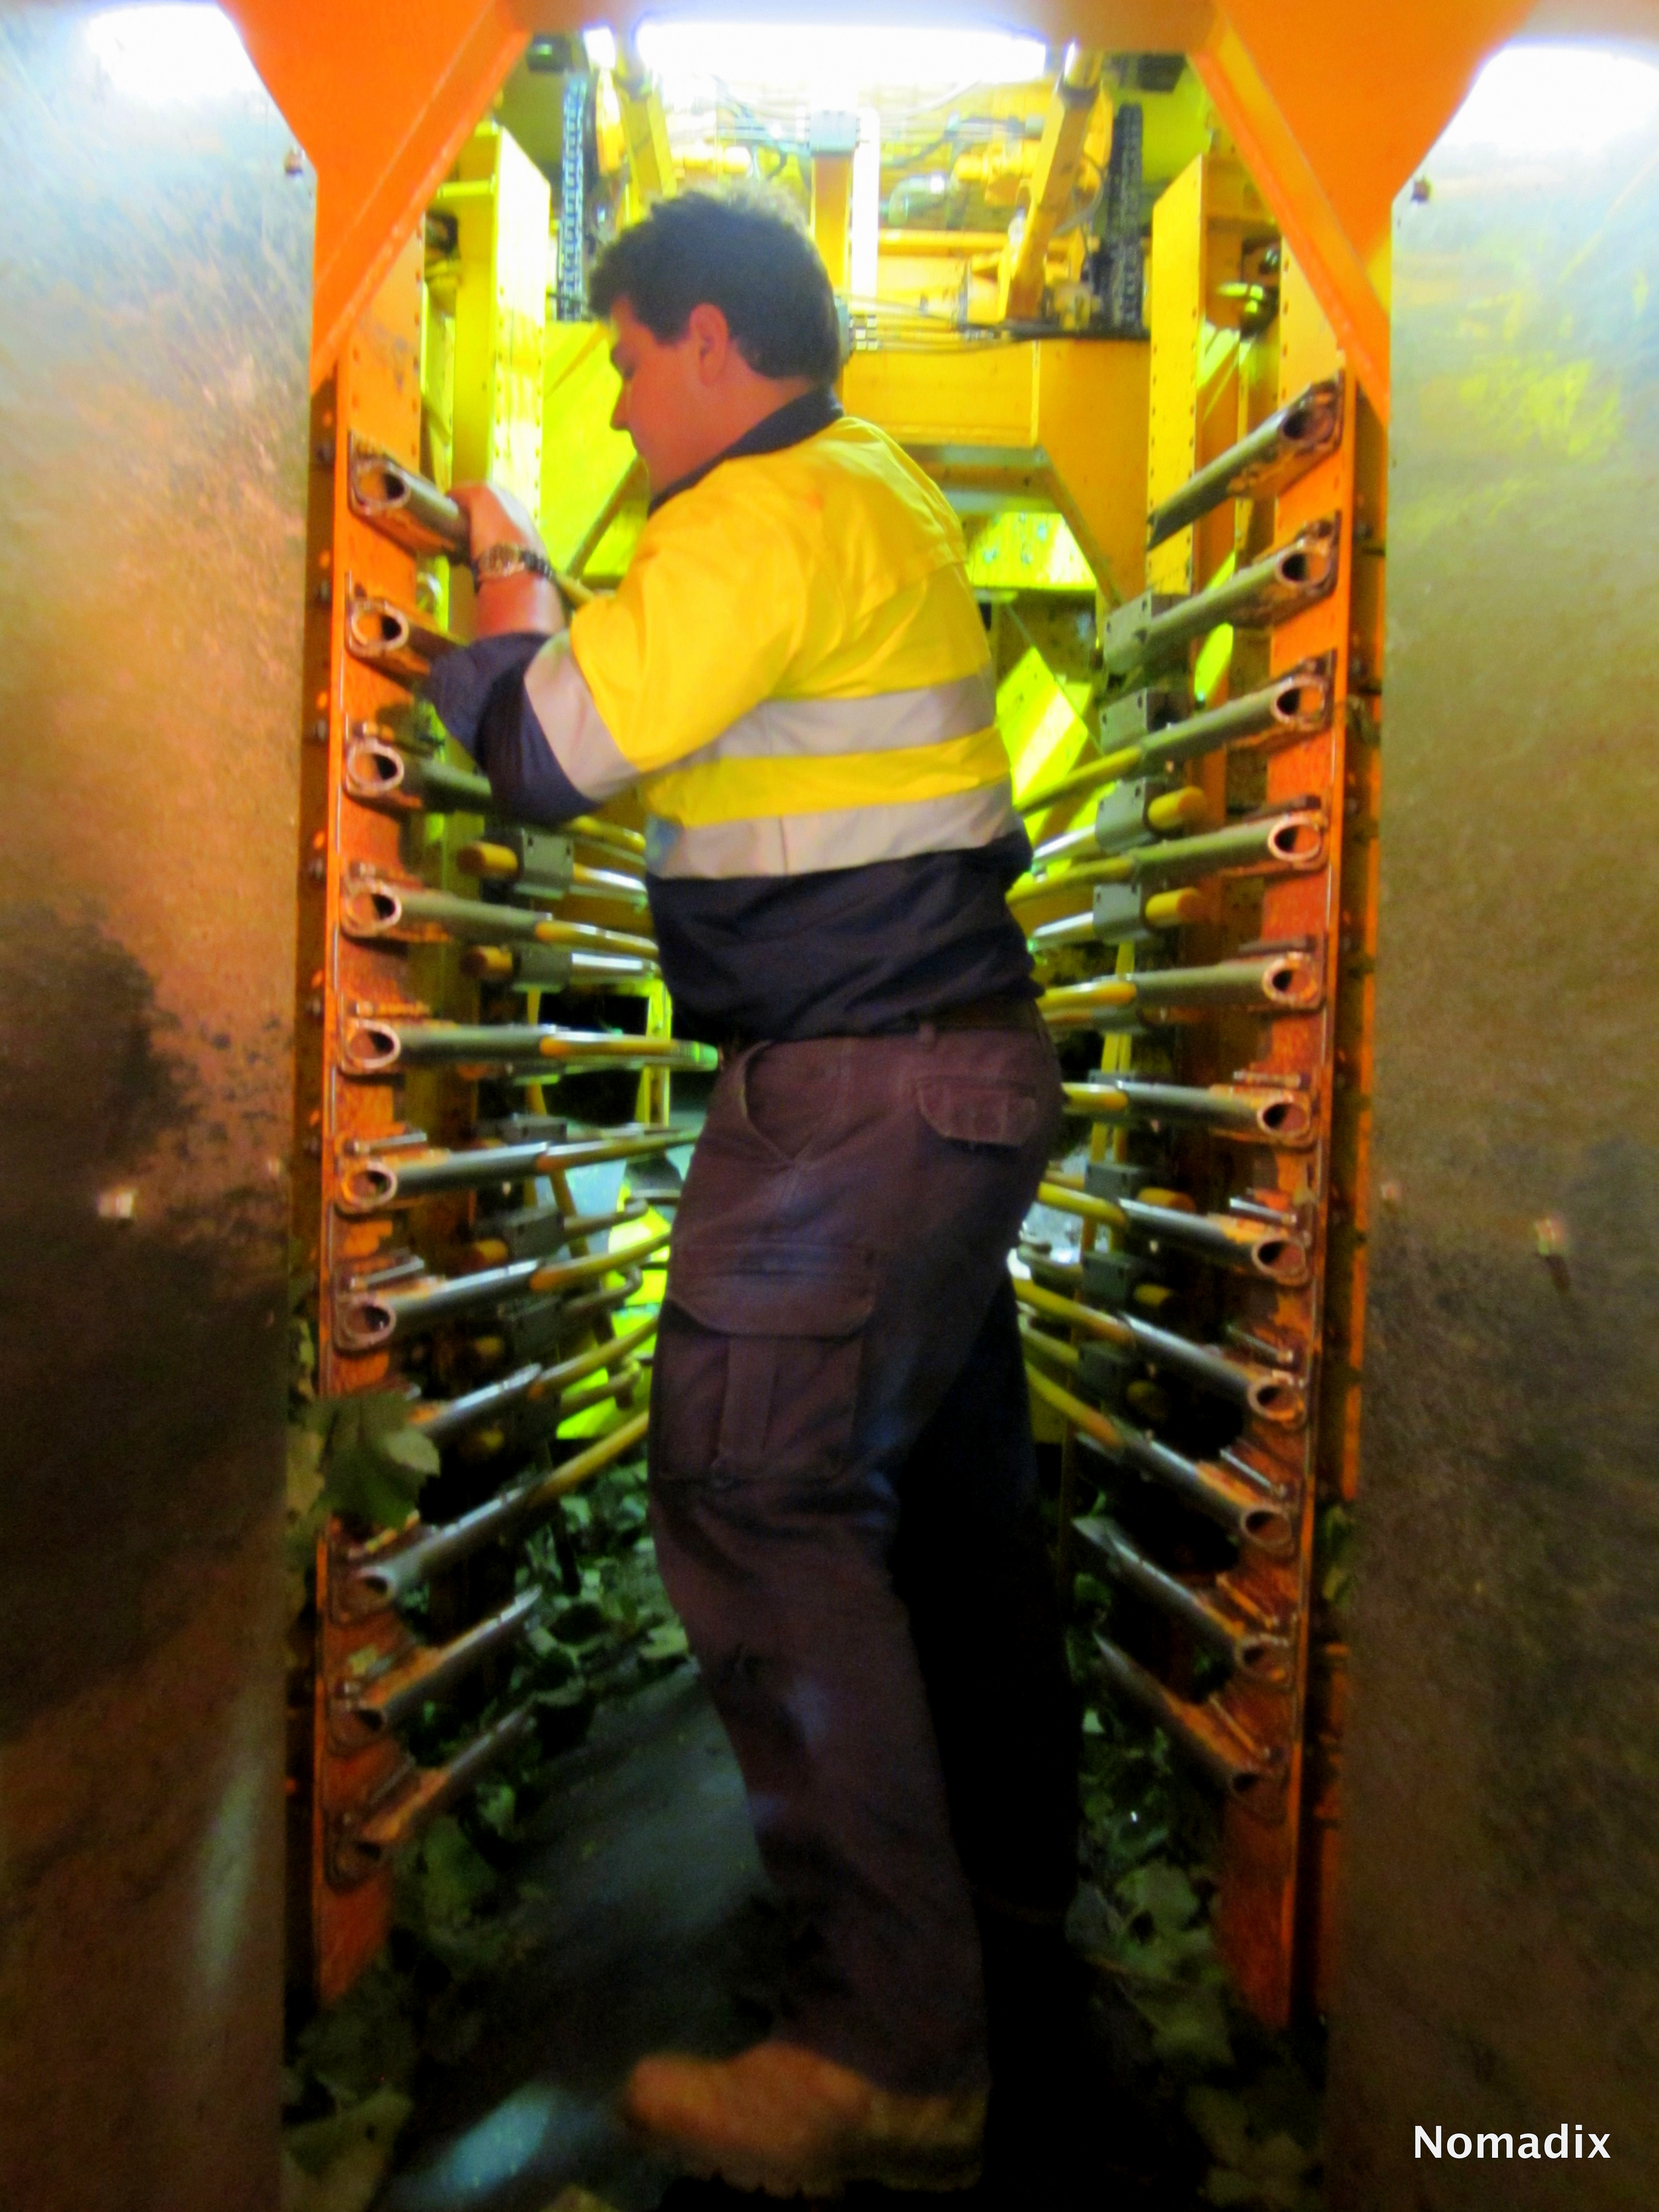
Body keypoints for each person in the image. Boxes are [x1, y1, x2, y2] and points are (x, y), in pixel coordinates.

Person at [426, 188, 1078, 2198]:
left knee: (756, 1496)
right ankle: (1007, 1917)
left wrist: (504, 584)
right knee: (945, 1505)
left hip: (857, 1089)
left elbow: (546, 753)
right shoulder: (873, 487)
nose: (620, 409)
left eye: (623, 362)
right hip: (951, 1077)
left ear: (714, 340)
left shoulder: (759, 514)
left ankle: (889, 2048)